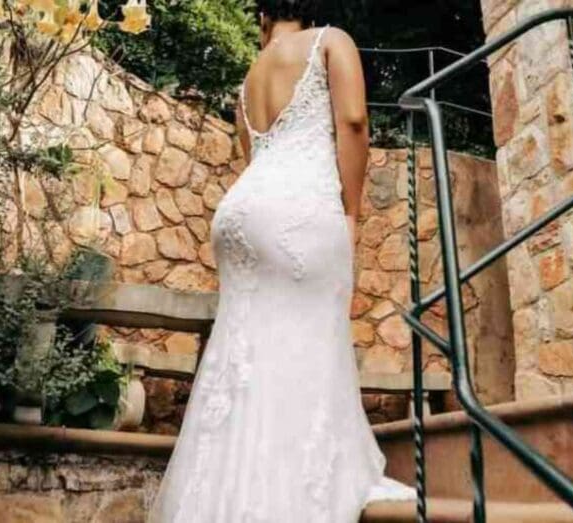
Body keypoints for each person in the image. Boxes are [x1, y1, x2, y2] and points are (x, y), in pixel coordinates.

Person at [146, 1, 416, 521]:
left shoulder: (248, 78)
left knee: (243, 355)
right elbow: (354, 121)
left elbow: (253, 154)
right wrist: (352, 212)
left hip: (241, 210)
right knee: (309, 338)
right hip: (299, 205)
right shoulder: (331, 40)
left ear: (265, 13)